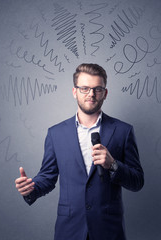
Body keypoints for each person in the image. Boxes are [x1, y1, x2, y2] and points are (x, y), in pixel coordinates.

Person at [15, 63, 144, 240]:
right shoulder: (56, 133)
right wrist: (31, 189)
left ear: (105, 93)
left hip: (108, 230)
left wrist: (113, 165)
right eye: (84, 88)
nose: (91, 94)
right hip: (70, 230)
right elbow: (48, 177)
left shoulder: (123, 131)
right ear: (74, 91)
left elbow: (137, 181)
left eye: (97, 89)